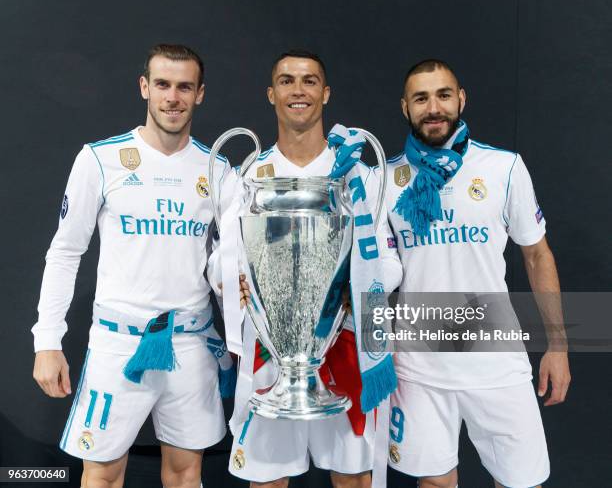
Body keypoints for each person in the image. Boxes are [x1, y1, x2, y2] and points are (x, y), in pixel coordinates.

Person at [32, 44, 235, 488]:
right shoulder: (100, 160)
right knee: (103, 474)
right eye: (162, 84)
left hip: (191, 343)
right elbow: (66, 252)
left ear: (199, 94)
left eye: (184, 87)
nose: (172, 97)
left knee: (186, 473)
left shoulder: (218, 169)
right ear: (145, 87)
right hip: (119, 343)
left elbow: (232, 265)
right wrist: (47, 339)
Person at [383, 59, 571, 488]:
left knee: (522, 483)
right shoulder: (385, 178)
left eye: (444, 95)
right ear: (405, 107)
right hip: (418, 365)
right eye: (421, 98)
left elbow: (538, 255)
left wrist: (557, 345)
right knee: (433, 483)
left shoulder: (503, 168)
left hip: (495, 360)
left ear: (461, 99)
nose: (434, 107)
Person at [219, 49, 402, 488]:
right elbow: (221, 257)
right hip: (270, 351)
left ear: (325, 93)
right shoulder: (247, 174)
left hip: (345, 345)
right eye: (286, 81)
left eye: (309, 80)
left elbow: (390, 263)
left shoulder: (357, 173)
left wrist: (351, 285)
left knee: (353, 478)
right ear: (271, 93)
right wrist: (235, 282)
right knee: (267, 481)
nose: (298, 90)